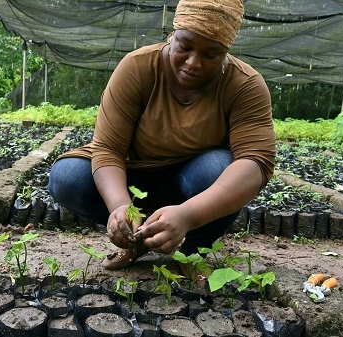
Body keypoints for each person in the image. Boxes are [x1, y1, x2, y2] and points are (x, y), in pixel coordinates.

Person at [48, 0, 276, 276]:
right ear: (173, 34)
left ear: (226, 52)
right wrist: (120, 207)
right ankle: (137, 239)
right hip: (135, 175)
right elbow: (108, 148)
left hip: (191, 182)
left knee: (220, 167)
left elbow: (255, 163)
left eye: (211, 55)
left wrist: (188, 215)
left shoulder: (244, 85)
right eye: (185, 47)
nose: (194, 63)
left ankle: (190, 250)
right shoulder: (138, 67)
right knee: (68, 176)